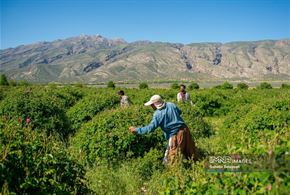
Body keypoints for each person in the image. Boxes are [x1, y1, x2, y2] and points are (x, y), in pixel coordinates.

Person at [128, 95, 199, 164]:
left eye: (152, 104)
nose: (151, 106)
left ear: (155, 105)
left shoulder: (158, 114)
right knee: (191, 152)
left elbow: (150, 128)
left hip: (175, 135)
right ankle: (197, 166)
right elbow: (179, 112)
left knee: (172, 159)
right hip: (185, 130)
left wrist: (136, 130)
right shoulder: (171, 104)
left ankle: (174, 174)